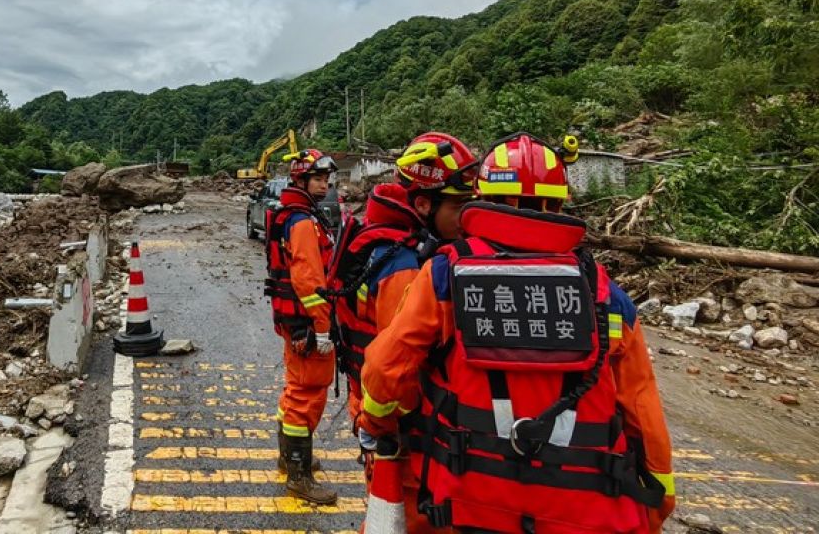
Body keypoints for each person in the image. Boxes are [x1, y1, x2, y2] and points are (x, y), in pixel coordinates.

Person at [359, 133, 675, 533]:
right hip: (584, 515)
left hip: (464, 506)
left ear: (484, 198)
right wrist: (655, 504)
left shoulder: (444, 276)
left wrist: (377, 425)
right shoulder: (604, 295)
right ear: (561, 203)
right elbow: (644, 418)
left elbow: (385, 370)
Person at [329, 134, 477, 532]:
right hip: (402, 432)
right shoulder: (405, 265)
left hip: (376, 414)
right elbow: (396, 368)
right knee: (402, 519)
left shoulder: (384, 242)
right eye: (459, 206)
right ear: (424, 204)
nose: (468, 218)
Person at [264, 148, 340, 504]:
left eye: (326, 178)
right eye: (319, 178)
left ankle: (289, 457)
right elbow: (310, 281)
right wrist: (323, 328)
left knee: (295, 389)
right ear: (301, 180)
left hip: (293, 322)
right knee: (306, 393)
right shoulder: (303, 222)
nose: (325, 184)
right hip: (308, 325)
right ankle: (299, 474)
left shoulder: (289, 214)